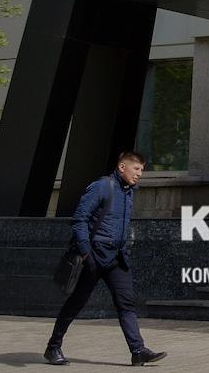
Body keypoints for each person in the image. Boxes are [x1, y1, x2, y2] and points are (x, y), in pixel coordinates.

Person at [44, 151, 167, 366]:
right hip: (93, 257)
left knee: (126, 304)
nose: (139, 174)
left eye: (142, 170)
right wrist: (86, 252)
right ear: (122, 167)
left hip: (117, 258)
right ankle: (53, 347)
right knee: (76, 302)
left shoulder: (128, 191)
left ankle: (138, 351)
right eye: (136, 169)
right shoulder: (102, 186)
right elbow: (79, 219)